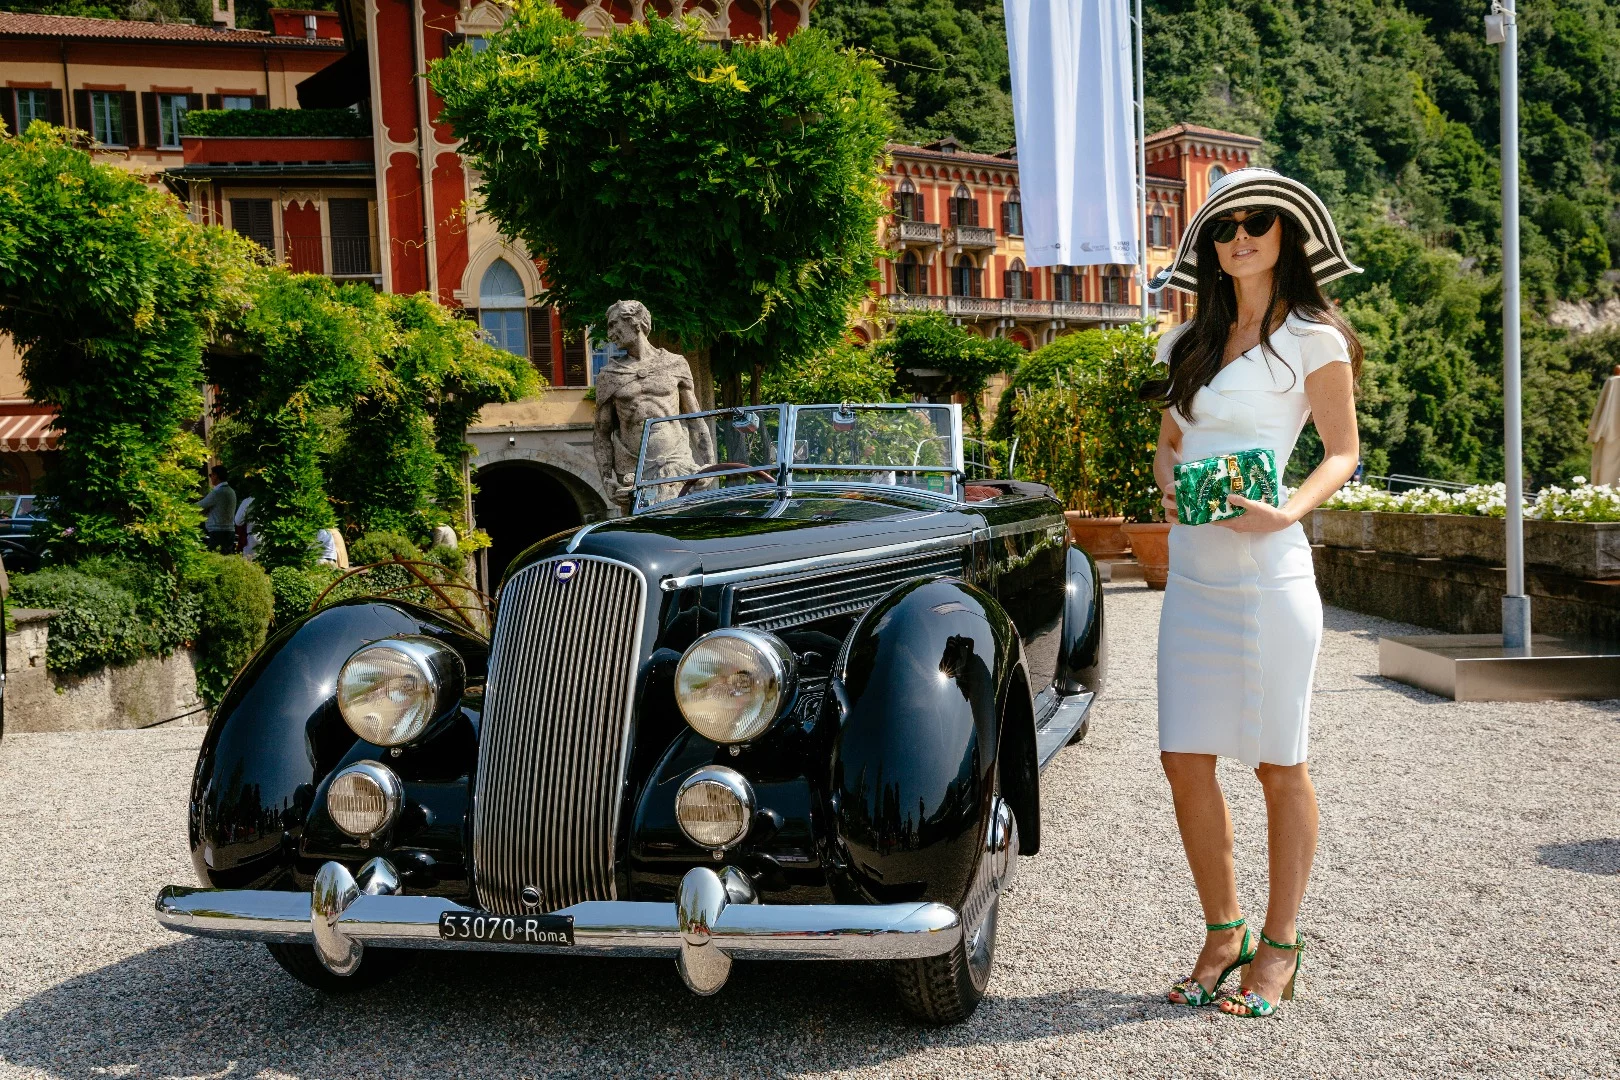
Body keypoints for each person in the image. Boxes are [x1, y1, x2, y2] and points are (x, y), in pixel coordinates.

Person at [1142, 169, 1364, 1019]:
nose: (1239, 236)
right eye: (1225, 226)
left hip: (1271, 577)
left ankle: (1280, 945)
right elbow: (1171, 438)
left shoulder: (1315, 336)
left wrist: (1289, 510)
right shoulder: (1185, 344)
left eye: (1257, 223)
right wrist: (1166, 481)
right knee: (1183, 758)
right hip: (1194, 578)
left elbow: (1342, 451)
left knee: (1280, 763)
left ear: (1284, 237)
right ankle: (1221, 930)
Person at [198, 466, 238, 554]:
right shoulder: (231, 491)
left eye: (210, 475)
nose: (210, 477)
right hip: (230, 531)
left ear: (216, 475)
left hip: (217, 532)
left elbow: (198, 506)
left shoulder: (217, 493)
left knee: (214, 559)